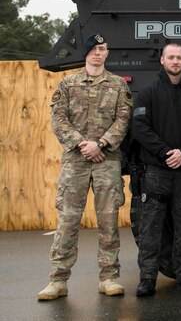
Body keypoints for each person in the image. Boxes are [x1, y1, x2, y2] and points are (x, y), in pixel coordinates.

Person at [37, 33, 132, 301]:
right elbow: (58, 120)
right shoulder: (67, 85)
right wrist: (83, 144)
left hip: (106, 160)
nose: (97, 53)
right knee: (67, 220)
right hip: (76, 162)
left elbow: (122, 121)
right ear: (85, 53)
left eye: (102, 49)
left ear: (107, 52)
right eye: (92, 49)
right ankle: (57, 280)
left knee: (108, 221)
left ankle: (109, 277)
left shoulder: (118, 86)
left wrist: (100, 144)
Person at [132, 43, 181, 297]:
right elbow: (140, 128)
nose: (175, 61)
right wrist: (166, 152)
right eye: (171, 57)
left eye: (179, 58)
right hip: (157, 170)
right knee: (151, 226)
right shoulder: (147, 94)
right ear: (162, 61)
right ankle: (147, 279)